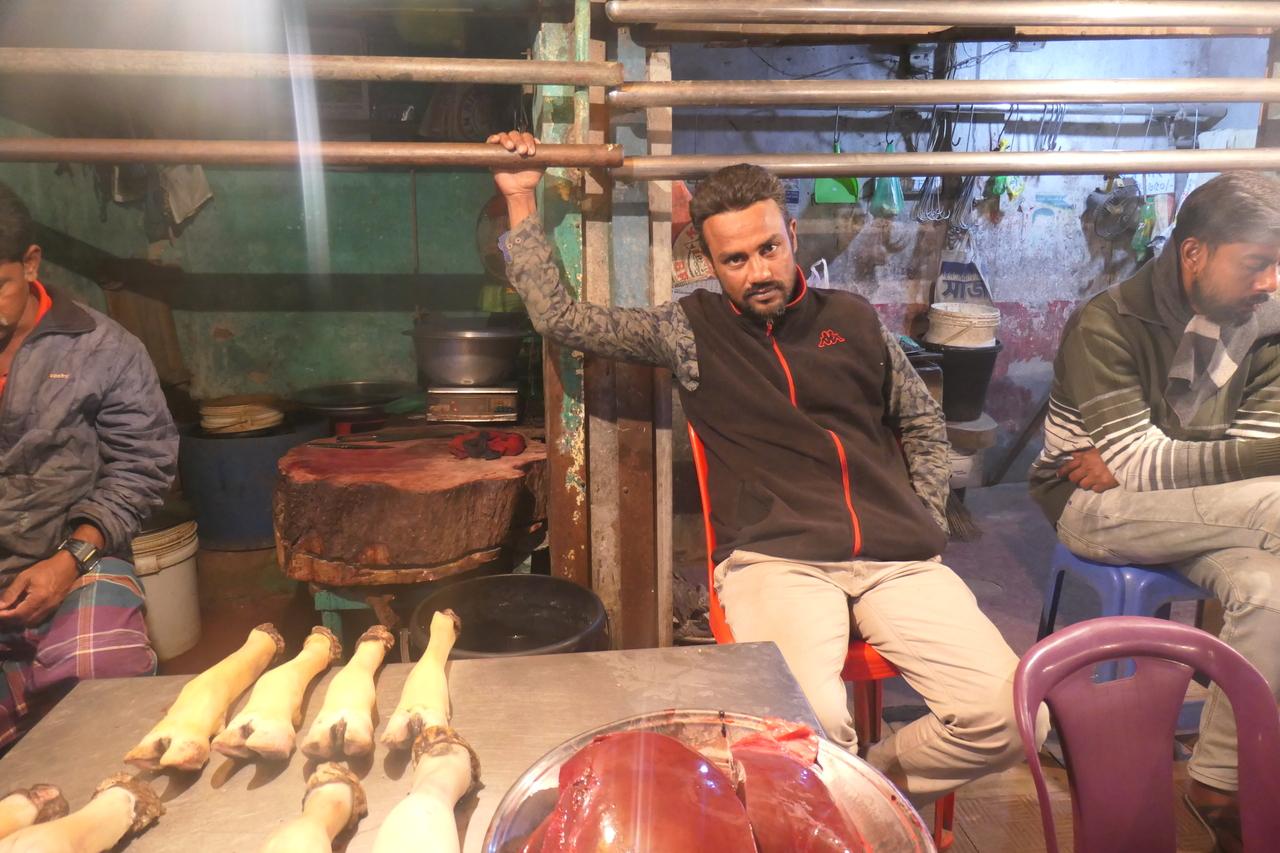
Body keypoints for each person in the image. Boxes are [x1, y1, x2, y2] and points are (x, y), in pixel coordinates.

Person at [488, 130, 1047, 806]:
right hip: (777, 560)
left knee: (1018, 716)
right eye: (735, 259)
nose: (757, 271)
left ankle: (873, 791)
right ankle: (851, 808)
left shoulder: (854, 320)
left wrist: (925, 515)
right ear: (708, 261)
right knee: (805, 730)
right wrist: (522, 201)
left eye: (769, 248)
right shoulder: (689, 329)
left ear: (792, 237)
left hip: (897, 558)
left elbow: (921, 420)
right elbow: (562, 319)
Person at [1031, 171, 1280, 852]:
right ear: (1193, 253)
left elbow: (1251, 448)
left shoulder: (1265, 322)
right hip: (1092, 503)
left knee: (1271, 590)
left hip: (1211, 510)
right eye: (1257, 263)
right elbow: (1143, 466)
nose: (1271, 282)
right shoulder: (1106, 323)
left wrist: (1154, 456)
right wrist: (1146, 460)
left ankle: (1220, 783)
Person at [0, 180, 177, 751]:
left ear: (31, 264)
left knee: (102, 691)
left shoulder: (103, 350)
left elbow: (142, 465)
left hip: (76, 564)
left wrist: (68, 559)